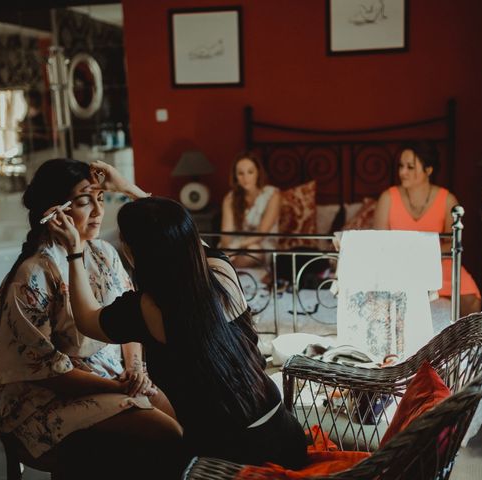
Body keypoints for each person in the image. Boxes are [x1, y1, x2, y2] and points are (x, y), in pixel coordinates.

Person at [49, 162, 308, 470]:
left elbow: (87, 319)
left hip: (230, 461)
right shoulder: (222, 271)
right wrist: (129, 189)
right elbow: (182, 238)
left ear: (133, 254)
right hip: (287, 435)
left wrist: (74, 252)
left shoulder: (147, 309)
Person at [0, 158, 183, 476]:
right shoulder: (33, 276)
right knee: (167, 434)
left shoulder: (104, 254)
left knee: (174, 418)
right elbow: (47, 371)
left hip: (108, 375)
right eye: (83, 201)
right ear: (55, 212)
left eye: (101, 198)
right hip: (47, 397)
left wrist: (134, 369)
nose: (98, 210)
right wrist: (117, 388)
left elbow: (128, 318)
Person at [373, 142, 482, 317]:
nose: (402, 172)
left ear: (429, 170)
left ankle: (465, 342)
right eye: (401, 166)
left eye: (410, 167)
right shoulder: (388, 198)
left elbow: (454, 244)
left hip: (437, 263)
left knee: (470, 299)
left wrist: (421, 252)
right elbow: (378, 243)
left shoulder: (447, 200)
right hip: (397, 262)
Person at [220, 151, 281, 267]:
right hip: (235, 246)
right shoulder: (230, 198)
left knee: (253, 250)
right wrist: (227, 251)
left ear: (258, 172)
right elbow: (226, 234)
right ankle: (226, 265)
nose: (245, 178)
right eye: (240, 173)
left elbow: (262, 232)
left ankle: (228, 268)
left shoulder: (272, 195)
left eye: (250, 172)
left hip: (262, 245)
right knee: (220, 255)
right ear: (235, 176)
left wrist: (237, 246)